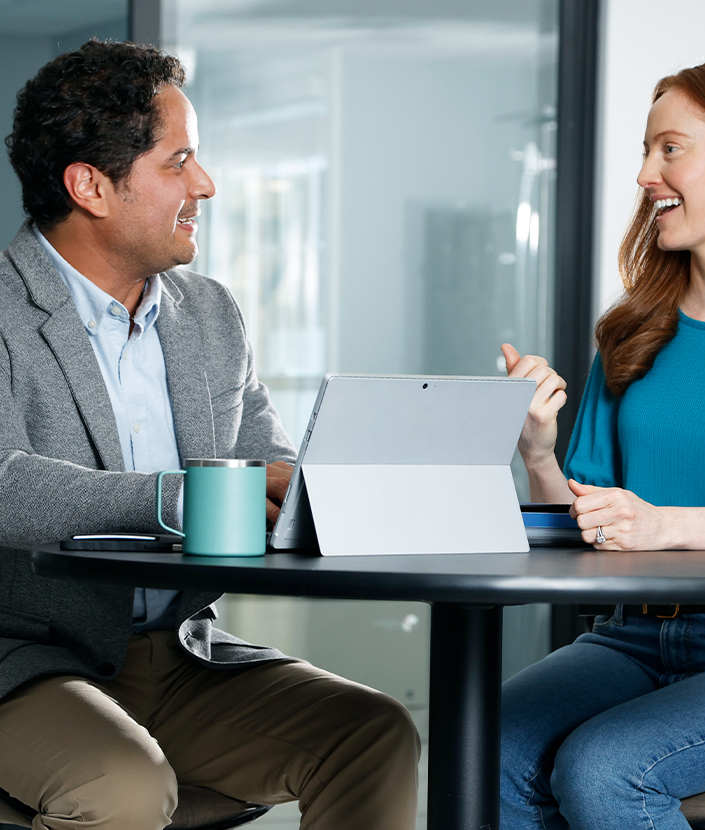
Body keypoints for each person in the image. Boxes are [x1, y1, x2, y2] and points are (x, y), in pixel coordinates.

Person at [0, 39, 419, 830]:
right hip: (20, 658)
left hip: (179, 655)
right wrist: (188, 498)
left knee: (371, 733)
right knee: (121, 784)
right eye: (178, 161)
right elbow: (5, 484)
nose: (206, 185)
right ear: (90, 185)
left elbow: (269, 461)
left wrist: (319, 490)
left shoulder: (209, 315)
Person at [500, 57, 705, 830]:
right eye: (646, 153)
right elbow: (588, 532)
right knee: (492, 743)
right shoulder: (633, 330)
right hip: (634, 632)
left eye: (669, 149)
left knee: (608, 767)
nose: (647, 174)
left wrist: (665, 524)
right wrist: (539, 453)